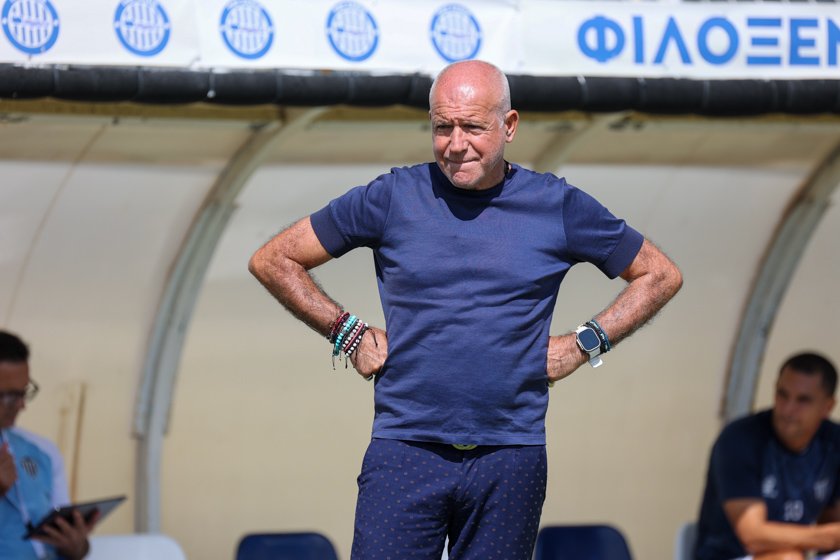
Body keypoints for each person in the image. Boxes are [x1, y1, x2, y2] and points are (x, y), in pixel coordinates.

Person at [249, 59, 682, 560]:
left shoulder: (557, 205)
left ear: (509, 125)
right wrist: (346, 332)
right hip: (405, 452)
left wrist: (583, 344)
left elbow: (659, 274)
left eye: (473, 127)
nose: (456, 144)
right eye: (442, 127)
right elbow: (274, 259)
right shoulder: (392, 197)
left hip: (510, 457)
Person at [695, 352, 840, 560]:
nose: (788, 409)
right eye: (782, 394)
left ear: (828, 407)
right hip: (729, 555)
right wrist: (830, 537)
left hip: (796, 554)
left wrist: (830, 537)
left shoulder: (833, 442)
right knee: (787, 558)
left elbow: (832, 522)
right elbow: (754, 537)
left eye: (803, 400)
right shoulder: (740, 439)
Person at [0, 330, 97, 560]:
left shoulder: (41, 452)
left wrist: (76, 546)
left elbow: (67, 533)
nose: (22, 405)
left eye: (24, 392)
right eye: (9, 396)